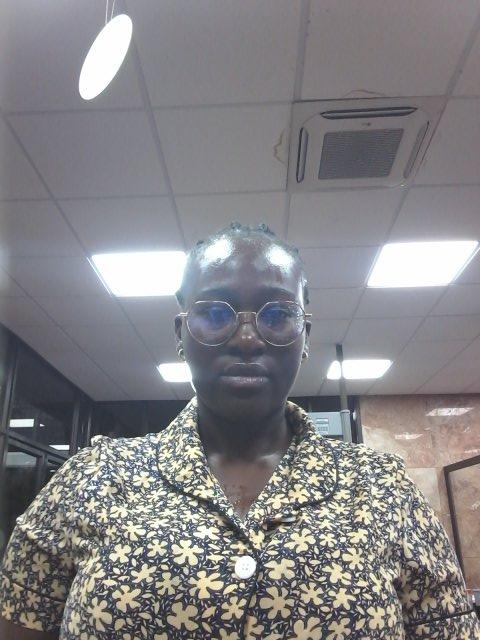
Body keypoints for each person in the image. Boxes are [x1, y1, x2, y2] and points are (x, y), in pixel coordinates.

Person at [0, 222, 479, 640]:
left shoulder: (382, 489)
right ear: (180, 334)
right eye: (214, 314)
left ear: (305, 337)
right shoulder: (93, 480)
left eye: (278, 315)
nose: (248, 339)